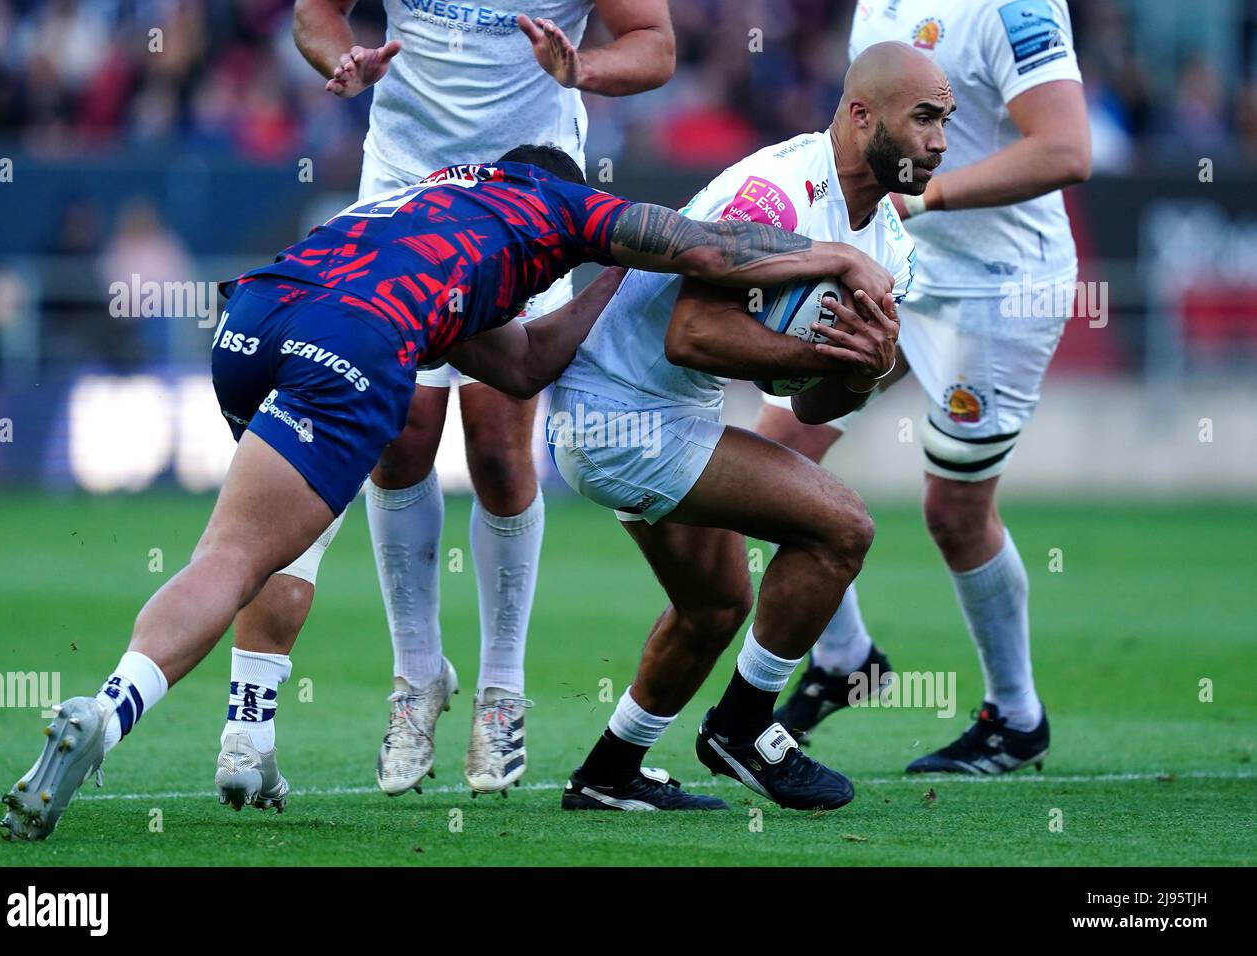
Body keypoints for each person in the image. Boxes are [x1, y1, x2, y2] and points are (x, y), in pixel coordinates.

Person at [0, 144, 899, 841]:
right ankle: (113, 714)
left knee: (249, 546)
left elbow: (527, 362)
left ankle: (247, 739)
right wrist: (840, 259)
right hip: (356, 342)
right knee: (243, 554)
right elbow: (709, 242)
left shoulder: (428, 207)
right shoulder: (560, 202)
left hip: (256, 318)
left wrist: (608, 282)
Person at [224, 0, 677, 802]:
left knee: (501, 446)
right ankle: (416, 680)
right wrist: (345, 58)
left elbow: (655, 46)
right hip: (406, 180)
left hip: (530, 190)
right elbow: (314, 14)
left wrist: (584, 70)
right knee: (399, 441)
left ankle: (502, 690)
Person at [547, 42, 949, 811]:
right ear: (862, 115)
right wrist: (812, 353)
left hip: (667, 407)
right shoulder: (777, 192)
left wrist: (863, 374)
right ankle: (743, 723)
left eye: (946, 120)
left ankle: (607, 774)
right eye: (925, 117)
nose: (939, 141)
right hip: (617, 408)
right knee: (842, 527)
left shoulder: (891, 245)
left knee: (715, 605)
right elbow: (691, 334)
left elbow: (809, 407)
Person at [772, 0, 1091, 776]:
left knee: (952, 511)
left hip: (996, 286)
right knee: (771, 455)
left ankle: (1016, 717)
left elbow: (1067, 149)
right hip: (898, 262)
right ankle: (846, 658)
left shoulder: (1011, 8)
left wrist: (928, 196)